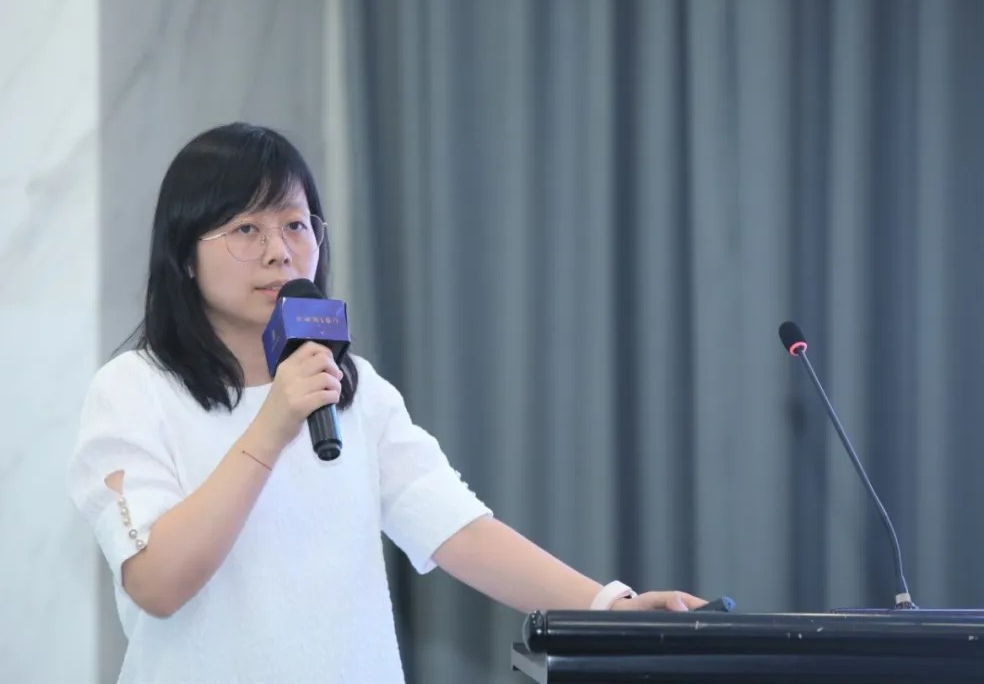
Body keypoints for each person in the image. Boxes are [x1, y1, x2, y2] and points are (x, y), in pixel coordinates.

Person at [67, 123, 704, 683]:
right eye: (245, 229)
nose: (279, 251)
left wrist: (610, 609)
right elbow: (157, 583)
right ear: (184, 255)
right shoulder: (134, 390)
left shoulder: (353, 387)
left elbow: (458, 530)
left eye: (295, 224)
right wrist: (271, 425)